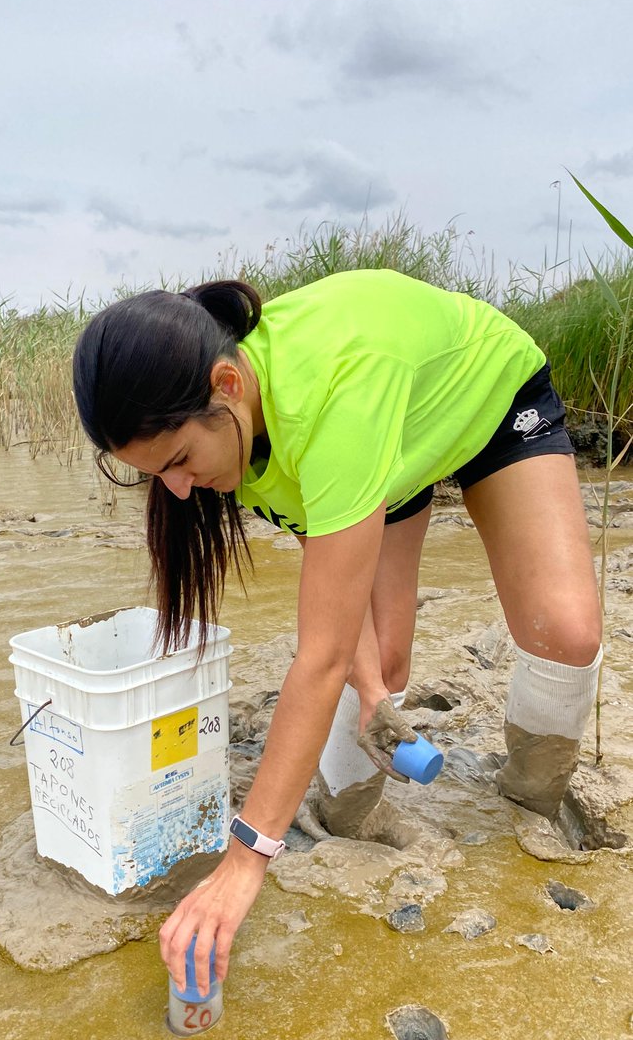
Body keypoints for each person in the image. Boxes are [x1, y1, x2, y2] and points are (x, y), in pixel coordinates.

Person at [72, 268, 602, 998]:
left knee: (565, 632)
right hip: (387, 453)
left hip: (484, 399)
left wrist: (244, 861)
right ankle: (342, 813)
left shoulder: (332, 400)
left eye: (180, 462)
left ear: (227, 384)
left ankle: (530, 802)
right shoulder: (240, 431)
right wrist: (372, 686)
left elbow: (318, 658)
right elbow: (334, 595)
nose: (179, 490)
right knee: (382, 661)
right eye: (155, 474)